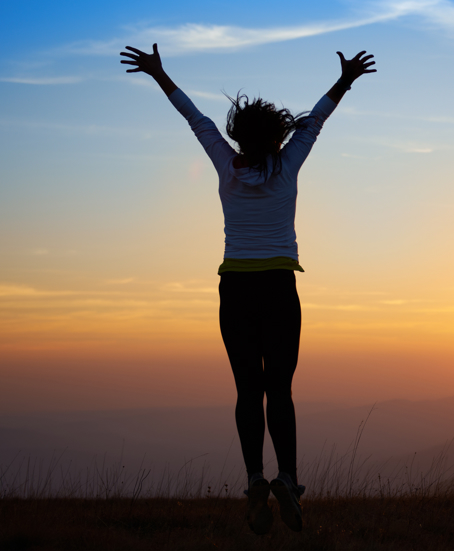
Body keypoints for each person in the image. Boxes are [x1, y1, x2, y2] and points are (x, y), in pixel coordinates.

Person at [120, 43, 376, 534]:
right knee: (280, 388)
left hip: (235, 288)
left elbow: (194, 118)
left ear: (239, 133)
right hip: (279, 287)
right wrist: (346, 80)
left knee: (247, 389)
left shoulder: (225, 162)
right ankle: (289, 479)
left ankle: (255, 477)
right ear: (277, 133)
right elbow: (316, 120)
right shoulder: (288, 164)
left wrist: (159, 73)